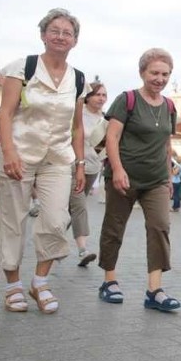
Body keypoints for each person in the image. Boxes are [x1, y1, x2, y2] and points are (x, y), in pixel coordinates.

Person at [0, 8, 87, 313]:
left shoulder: (78, 78)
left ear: (75, 40)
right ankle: (12, 286)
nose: (61, 36)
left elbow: (77, 126)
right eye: (55, 31)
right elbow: (5, 114)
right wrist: (8, 152)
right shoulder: (23, 68)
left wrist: (80, 164)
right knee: (13, 219)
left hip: (58, 158)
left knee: (56, 220)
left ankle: (39, 282)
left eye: (67, 32)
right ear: (43, 35)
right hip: (19, 153)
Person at [97, 48, 180, 311]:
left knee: (160, 226)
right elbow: (112, 138)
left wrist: (168, 177)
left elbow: (167, 144)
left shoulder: (169, 106)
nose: (160, 78)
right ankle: (109, 280)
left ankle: (154, 289)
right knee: (114, 226)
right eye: (154, 72)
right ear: (142, 72)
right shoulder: (127, 100)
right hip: (124, 176)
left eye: (165, 74)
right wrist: (118, 170)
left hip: (155, 180)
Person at [70, 81, 108, 267]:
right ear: (88, 97)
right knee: (78, 205)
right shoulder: (78, 114)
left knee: (71, 209)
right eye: (98, 94)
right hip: (73, 165)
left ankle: (53, 237)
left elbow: (108, 146)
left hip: (93, 168)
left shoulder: (107, 119)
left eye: (104, 95)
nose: (101, 98)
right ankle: (82, 250)